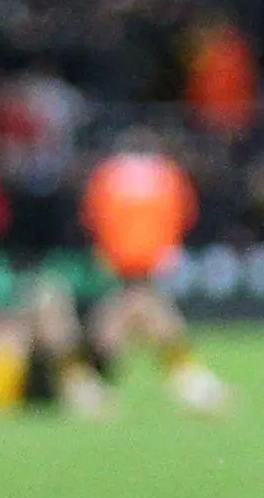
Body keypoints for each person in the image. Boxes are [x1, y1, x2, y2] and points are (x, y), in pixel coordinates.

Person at [0, 269, 209, 420]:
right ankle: (80, 386)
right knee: (48, 300)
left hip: (67, 362)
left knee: (140, 300)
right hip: (46, 378)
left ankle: (187, 380)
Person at [81, 143, 234, 415]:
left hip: (119, 257)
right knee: (138, 308)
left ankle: (93, 382)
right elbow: (184, 213)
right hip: (138, 258)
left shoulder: (109, 175)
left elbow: (91, 216)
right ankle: (185, 378)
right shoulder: (165, 174)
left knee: (135, 307)